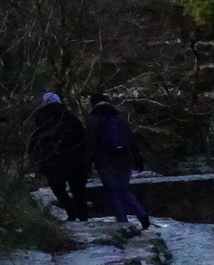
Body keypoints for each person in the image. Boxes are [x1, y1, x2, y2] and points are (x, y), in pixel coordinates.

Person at [86, 97, 152, 230]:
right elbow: (131, 140)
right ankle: (141, 214)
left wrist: (87, 162)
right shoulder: (120, 118)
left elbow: (90, 144)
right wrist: (137, 158)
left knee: (113, 192)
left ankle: (123, 223)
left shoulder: (93, 120)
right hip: (124, 159)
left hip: (104, 161)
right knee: (123, 189)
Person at [27, 92, 91, 220]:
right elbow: (83, 137)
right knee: (78, 189)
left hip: (53, 160)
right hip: (75, 160)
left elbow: (36, 139)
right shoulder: (69, 116)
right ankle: (83, 215)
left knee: (57, 186)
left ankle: (71, 211)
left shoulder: (41, 117)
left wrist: (35, 157)